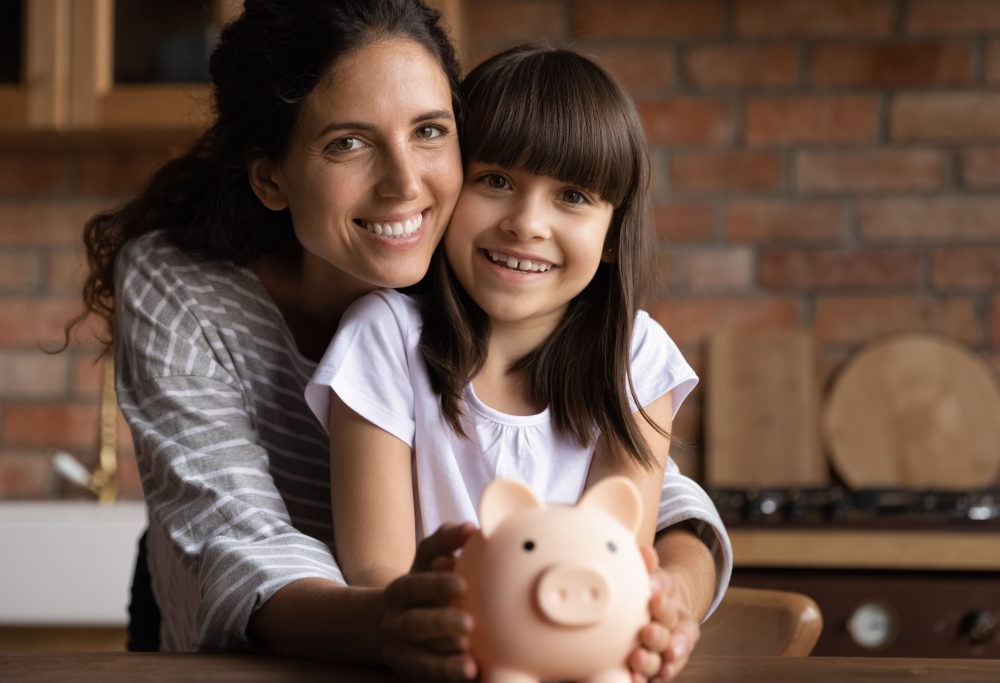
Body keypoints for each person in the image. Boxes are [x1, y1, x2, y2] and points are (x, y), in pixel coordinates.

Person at [66, 1, 729, 680]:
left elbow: (618, 477)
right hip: (254, 643)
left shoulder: (479, 269)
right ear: (270, 175)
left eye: (430, 132)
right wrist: (412, 614)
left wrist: (669, 585)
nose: (406, 185)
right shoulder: (188, 288)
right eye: (347, 143)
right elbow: (237, 540)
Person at [307, 44, 729, 682]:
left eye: (573, 196)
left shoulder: (636, 359)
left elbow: (620, 555)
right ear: (450, 188)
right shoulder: (383, 341)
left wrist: (663, 599)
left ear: (613, 236)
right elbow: (378, 575)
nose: (527, 224)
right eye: (497, 181)